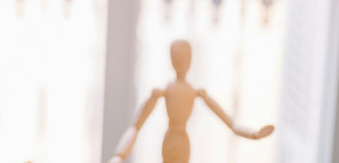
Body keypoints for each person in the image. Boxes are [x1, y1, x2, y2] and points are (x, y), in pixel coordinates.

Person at [107, 39, 274, 163]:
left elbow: (231, 124)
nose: (181, 63)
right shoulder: (164, 92)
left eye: (184, 58)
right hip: (171, 140)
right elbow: (136, 126)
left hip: (181, 142)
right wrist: (119, 155)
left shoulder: (196, 93)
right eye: (177, 58)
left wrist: (254, 134)